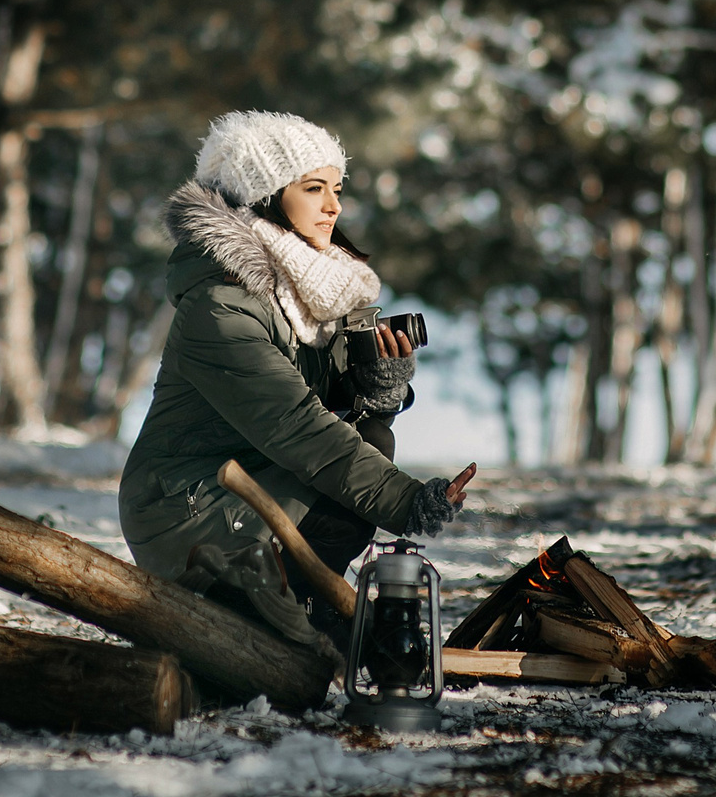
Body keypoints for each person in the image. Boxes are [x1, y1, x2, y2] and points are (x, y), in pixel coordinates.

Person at [119, 110, 476, 653]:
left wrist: (379, 393)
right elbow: (300, 429)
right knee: (352, 478)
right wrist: (405, 501)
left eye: (337, 188)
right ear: (264, 195)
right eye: (314, 189)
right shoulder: (219, 307)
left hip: (253, 488)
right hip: (184, 509)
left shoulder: (309, 295)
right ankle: (244, 612)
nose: (334, 206)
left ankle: (294, 606)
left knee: (373, 443)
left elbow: (341, 425)